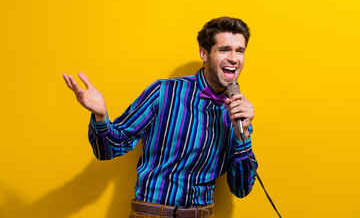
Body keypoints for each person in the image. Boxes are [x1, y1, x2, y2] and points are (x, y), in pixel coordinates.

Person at [63, 16, 257, 218]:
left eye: (240, 51)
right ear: (204, 53)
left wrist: (240, 134)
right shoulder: (163, 92)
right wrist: (101, 116)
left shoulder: (237, 113)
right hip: (153, 214)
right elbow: (108, 149)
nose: (234, 58)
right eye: (224, 49)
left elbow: (242, 188)